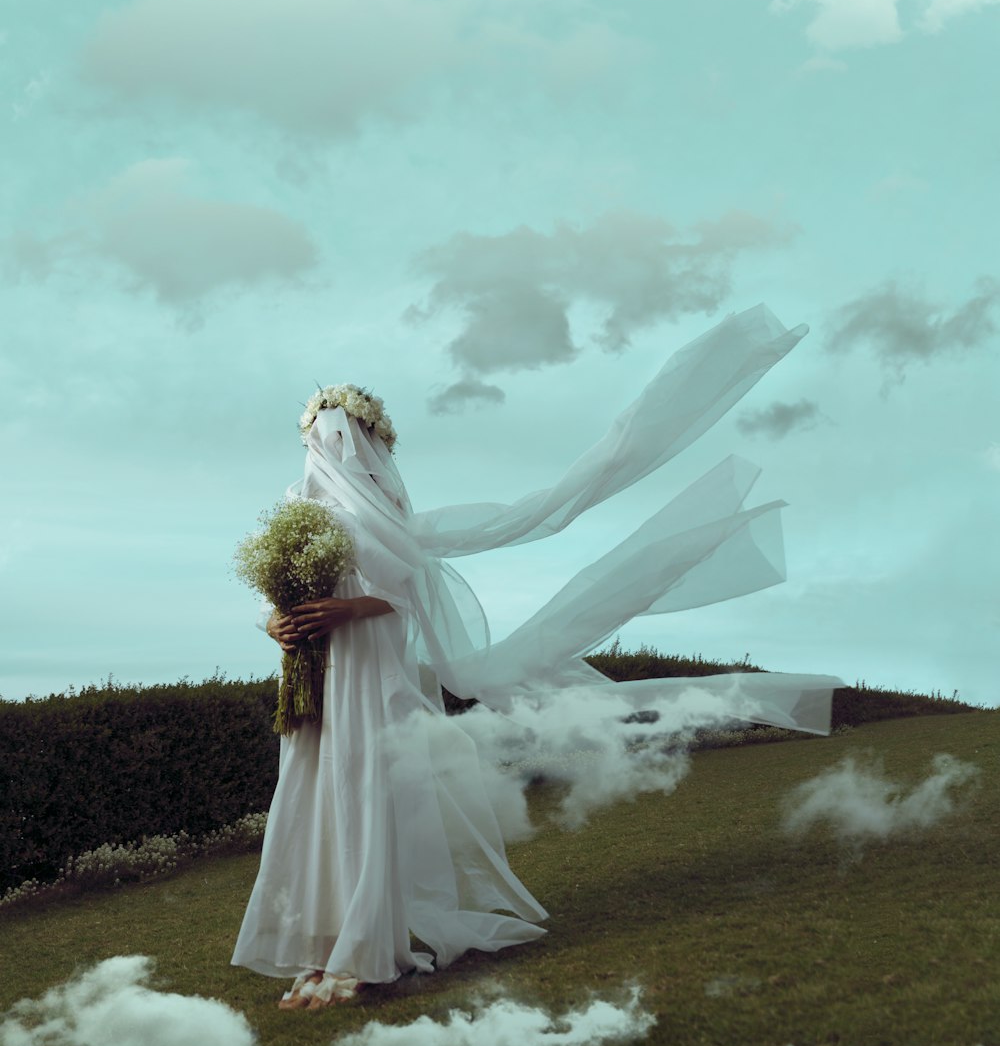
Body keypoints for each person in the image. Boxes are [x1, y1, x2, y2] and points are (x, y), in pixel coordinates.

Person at [231, 306, 843, 1009]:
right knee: (314, 798)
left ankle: (363, 950)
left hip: (370, 678)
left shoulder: (384, 515)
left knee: (365, 796)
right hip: (319, 682)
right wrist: (279, 620)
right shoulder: (297, 506)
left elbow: (404, 594)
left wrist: (343, 610)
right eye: (321, 436)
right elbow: (273, 594)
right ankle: (318, 944)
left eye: (340, 436)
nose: (329, 447)